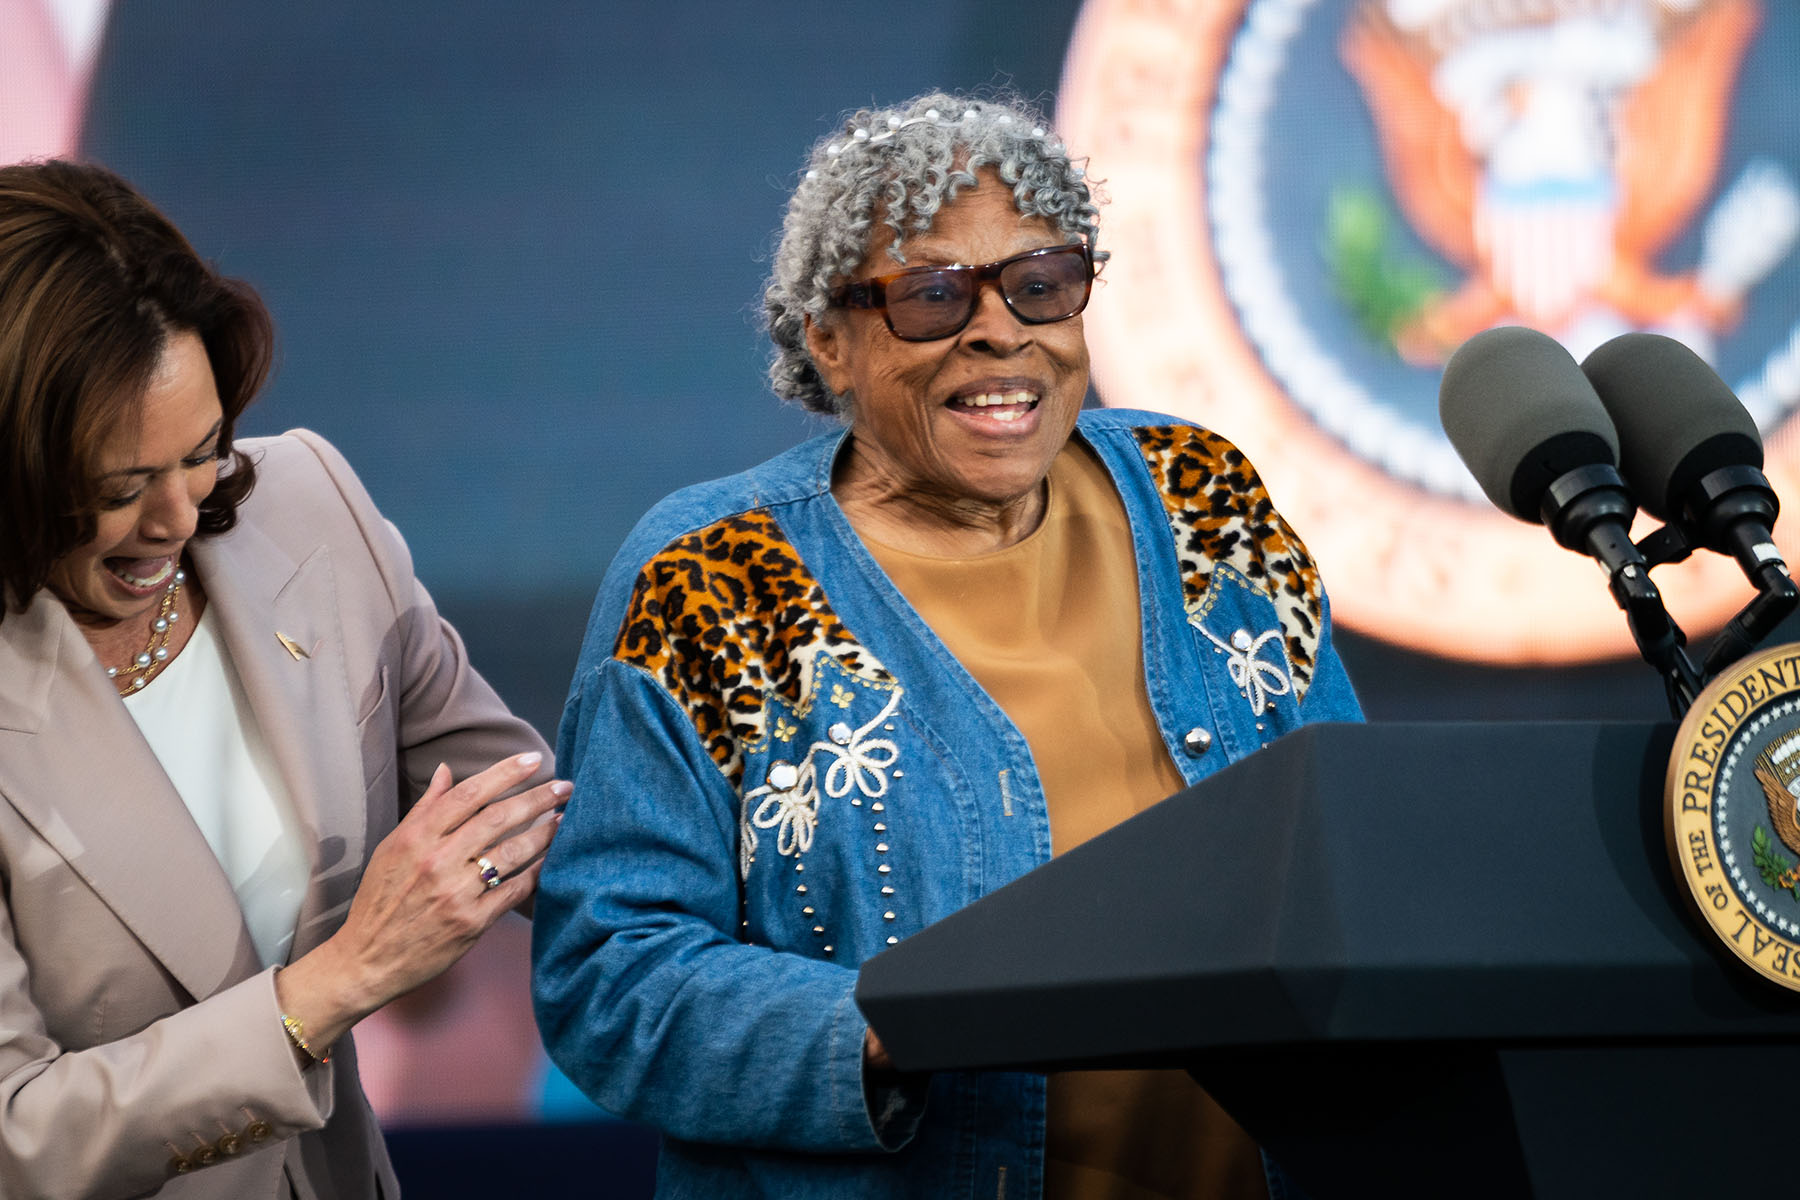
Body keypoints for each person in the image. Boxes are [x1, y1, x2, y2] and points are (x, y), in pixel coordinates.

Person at [532, 92, 1362, 1199]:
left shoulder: (1202, 493)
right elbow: (611, 975)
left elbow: (1352, 834)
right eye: (931, 295)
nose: (998, 328)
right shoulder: (705, 583)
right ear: (827, 341)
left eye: (1042, 283)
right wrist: (891, 1027)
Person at [0, 159, 566, 1198]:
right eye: (121, 486)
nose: (177, 518)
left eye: (201, 452)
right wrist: (339, 982)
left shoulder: (308, 502)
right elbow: (18, 1133)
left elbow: (527, 819)